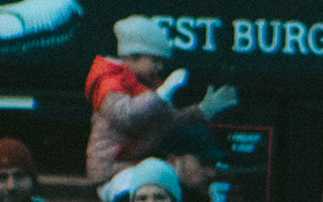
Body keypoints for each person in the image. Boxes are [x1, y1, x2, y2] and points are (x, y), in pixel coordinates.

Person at [85, 15, 237, 191]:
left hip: (136, 165)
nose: (160, 67)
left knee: (186, 172)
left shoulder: (147, 86)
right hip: (113, 174)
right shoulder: (109, 84)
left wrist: (202, 110)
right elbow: (127, 115)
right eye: (155, 60)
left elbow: (168, 121)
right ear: (132, 57)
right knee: (152, 186)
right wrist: (161, 95)